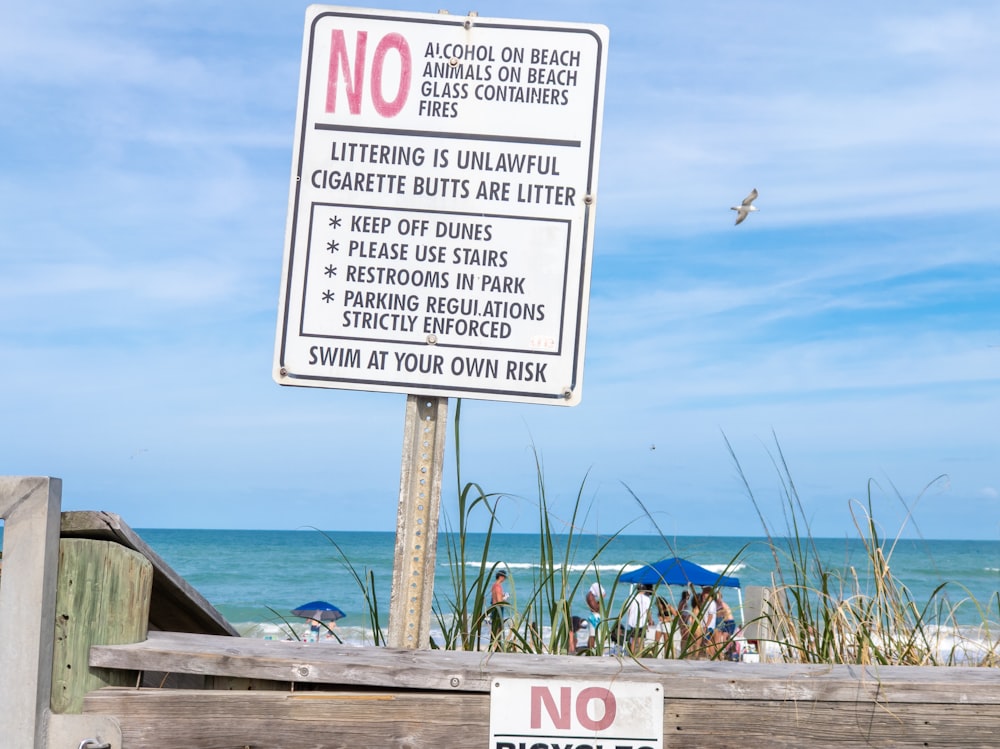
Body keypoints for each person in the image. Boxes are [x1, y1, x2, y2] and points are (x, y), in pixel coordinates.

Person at [623, 584, 654, 654]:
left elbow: (628, 611)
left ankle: (632, 655)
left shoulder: (631, 598)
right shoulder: (647, 599)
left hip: (633, 622)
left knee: (633, 640)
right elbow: (648, 611)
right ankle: (639, 656)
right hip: (642, 621)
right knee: (641, 640)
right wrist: (650, 620)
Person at [489, 570, 510, 647]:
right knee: (498, 628)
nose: (504, 579)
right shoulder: (498, 586)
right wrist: (505, 598)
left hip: (493, 608)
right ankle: (496, 645)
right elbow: (499, 601)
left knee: (494, 627)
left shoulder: (494, 585)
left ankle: (493, 645)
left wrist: (503, 595)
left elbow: (494, 597)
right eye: (504, 577)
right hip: (498, 609)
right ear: (501, 577)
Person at [584, 580, 606, 649]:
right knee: (592, 635)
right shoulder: (590, 596)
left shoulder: (591, 596)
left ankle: (591, 648)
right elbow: (595, 608)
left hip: (594, 616)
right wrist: (601, 599)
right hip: (594, 617)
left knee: (592, 634)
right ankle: (591, 649)